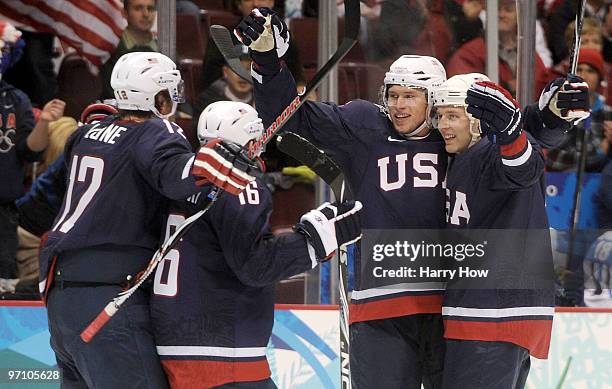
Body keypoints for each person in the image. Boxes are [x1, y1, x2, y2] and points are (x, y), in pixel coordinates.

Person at [237, 8, 449, 388]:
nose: (399, 105)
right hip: (381, 305)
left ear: (435, 99)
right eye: (394, 95)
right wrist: (269, 62)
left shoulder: (456, 136)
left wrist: (552, 120)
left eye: (410, 96)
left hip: (447, 303)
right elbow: (290, 119)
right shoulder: (365, 126)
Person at [38, 51, 257, 388]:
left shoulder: (85, 135)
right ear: (154, 96)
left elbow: (50, 197)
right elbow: (176, 174)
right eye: (168, 92)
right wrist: (211, 166)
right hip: (109, 296)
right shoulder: (157, 131)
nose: (173, 100)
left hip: (60, 298)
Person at [150, 100, 363, 388]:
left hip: (171, 340)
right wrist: (316, 239)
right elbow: (256, 265)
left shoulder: (178, 183)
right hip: (223, 349)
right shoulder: (240, 184)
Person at [432, 73, 585, 388]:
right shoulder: (463, 157)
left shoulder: (489, 152)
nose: (443, 124)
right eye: (439, 116)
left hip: (493, 314)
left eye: (452, 116)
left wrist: (511, 130)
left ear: (477, 121)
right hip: (487, 314)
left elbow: (522, 167)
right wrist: (550, 118)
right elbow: (536, 131)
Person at [1, 20, 65, 279]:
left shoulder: (16, 99)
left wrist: (46, 122)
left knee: (4, 276)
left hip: (3, 211)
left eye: (4, 50)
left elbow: (29, 151)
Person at [99, 0, 158, 99]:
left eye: (150, 9)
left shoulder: (164, 47)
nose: (146, 14)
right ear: (124, 13)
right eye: (138, 8)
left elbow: (178, 89)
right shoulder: (111, 48)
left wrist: (184, 112)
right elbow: (110, 93)